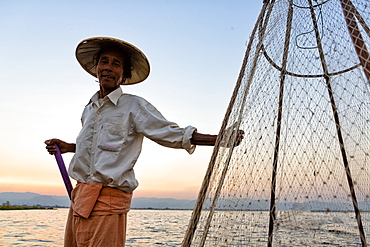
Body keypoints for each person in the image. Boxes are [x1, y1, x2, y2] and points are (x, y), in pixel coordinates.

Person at [45, 37, 244, 247]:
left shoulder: (133, 106)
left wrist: (218, 139)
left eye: (116, 64)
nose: (108, 68)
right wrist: (69, 148)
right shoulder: (89, 108)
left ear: (124, 74)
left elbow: (169, 132)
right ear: (97, 67)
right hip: (79, 200)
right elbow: (99, 148)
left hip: (108, 201)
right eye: (104, 61)